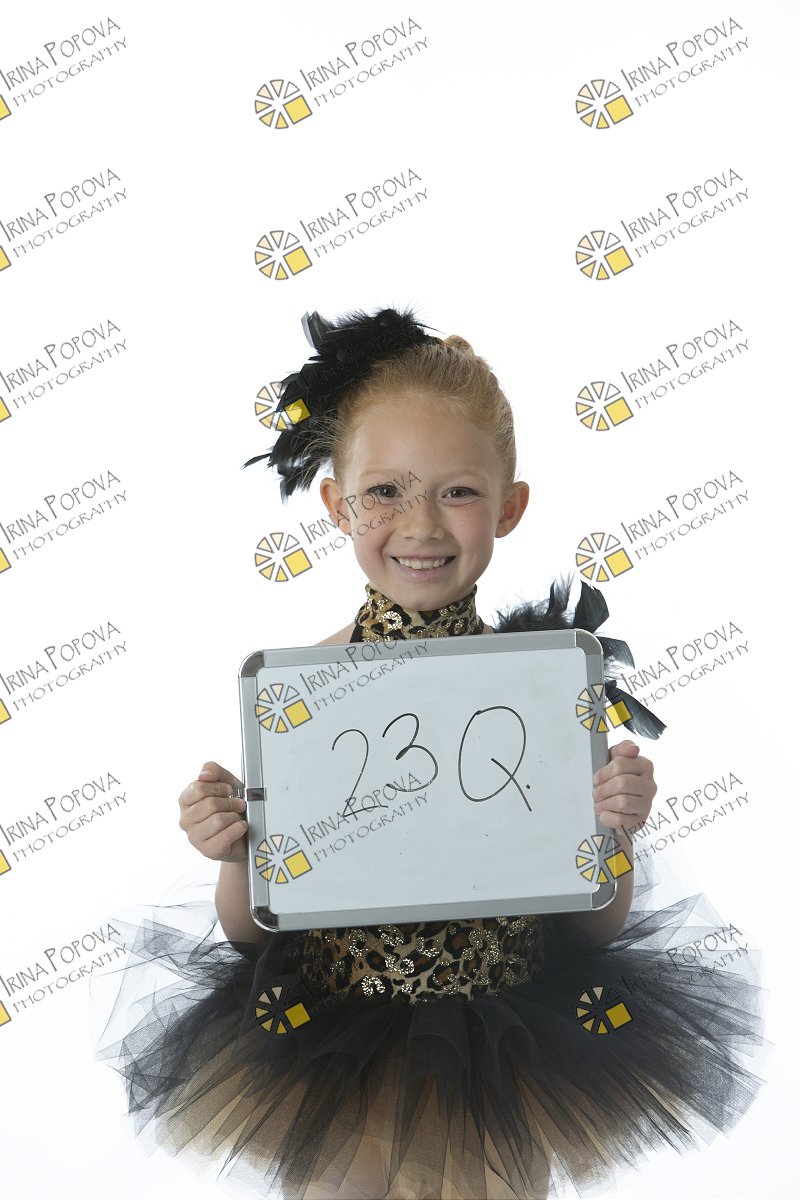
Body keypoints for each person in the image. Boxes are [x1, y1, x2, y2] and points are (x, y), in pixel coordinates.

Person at [94, 308, 766, 1200]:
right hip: (337, 1047)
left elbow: (590, 924)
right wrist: (235, 850)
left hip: (505, 1048)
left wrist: (613, 833)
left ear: (509, 507)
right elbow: (256, 930)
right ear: (337, 505)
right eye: (385, 491)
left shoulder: (545, 692)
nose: (420, 525)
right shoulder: (299, 698)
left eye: (457, 492)